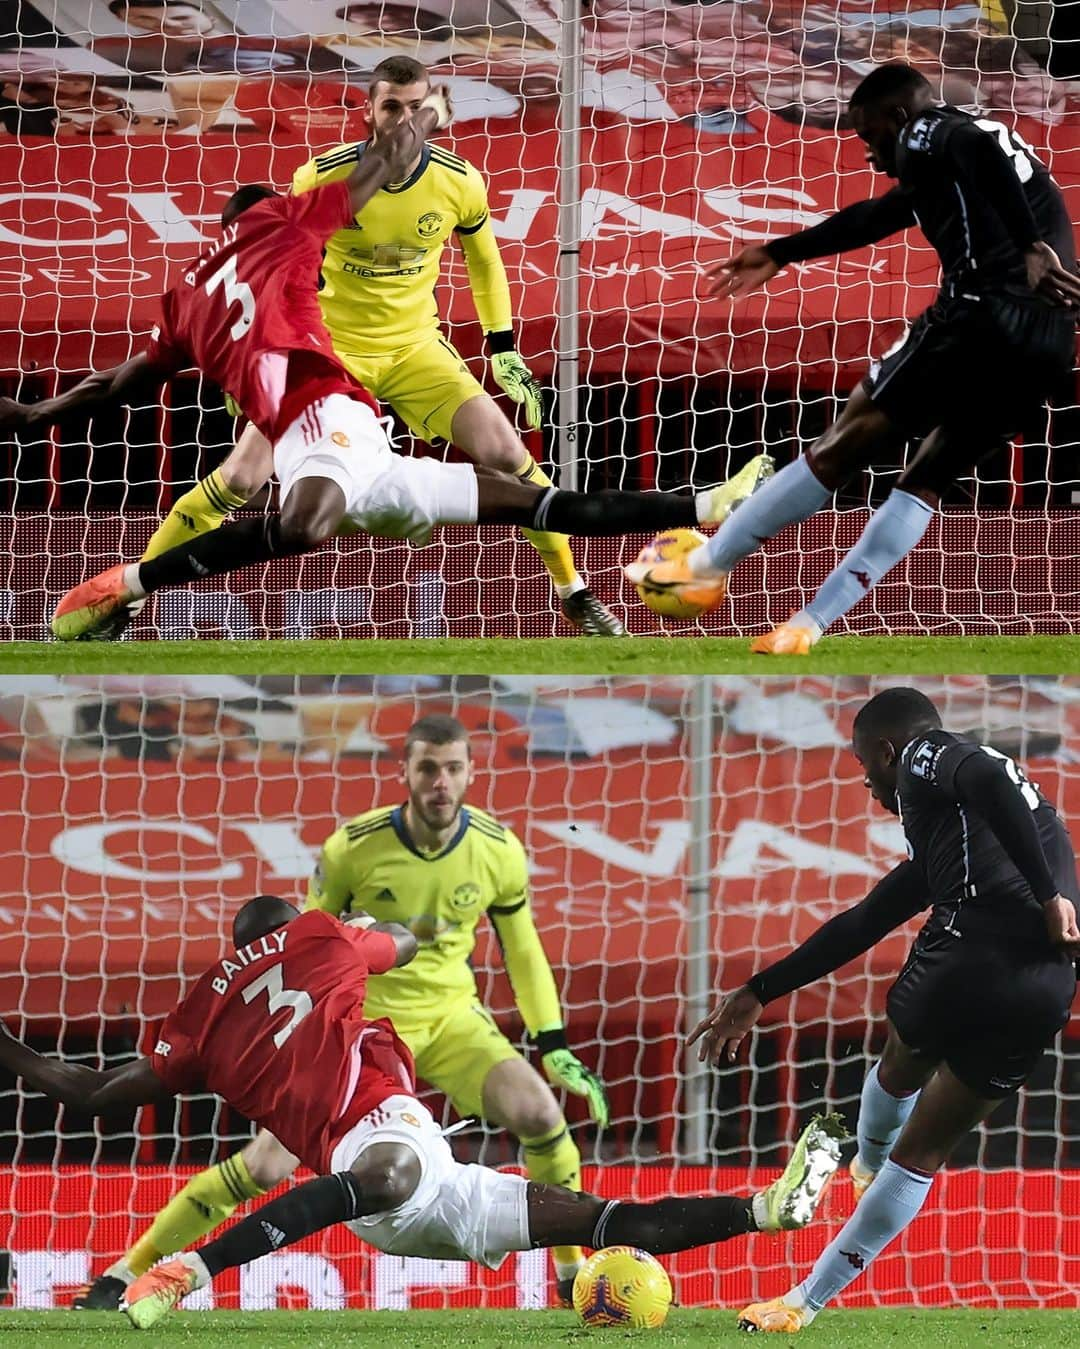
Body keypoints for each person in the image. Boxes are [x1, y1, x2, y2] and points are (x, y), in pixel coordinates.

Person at [0, 87, 767, 642]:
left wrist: (34, 416)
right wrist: (419, 123)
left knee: (524, 482)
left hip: (380, 387)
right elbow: (380, 161)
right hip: (332, 398)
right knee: (280, 502)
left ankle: (667, 530)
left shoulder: (184, 301)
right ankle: (127, 593)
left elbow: (116, 385)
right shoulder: (294, 219)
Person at [0, 896, 846, 1330]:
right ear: (295, 925)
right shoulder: (321, 936)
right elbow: (403, 941)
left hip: (409, 1192)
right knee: (407, 1165)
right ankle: (183, 1272)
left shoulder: (197, 1027)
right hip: (388, 1144)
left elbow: (79, 1088)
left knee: (608, 1222)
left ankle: (766, 1208)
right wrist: (382, 927)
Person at [77, 713, 609, 1308]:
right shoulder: (353, 849)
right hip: (360, 1026)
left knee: (539, 1113)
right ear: (403, 770)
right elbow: (304, 947)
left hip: (454, 1019)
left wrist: (553, 1040)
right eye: (429, 767)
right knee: (265, 1165)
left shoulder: (497, 848)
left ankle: (571, 1278)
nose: (441, 781)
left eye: (453, 768)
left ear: (469, 773)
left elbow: (523, 946)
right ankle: (125, 1274)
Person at [131, 54, 635, 637]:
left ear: (431, 108)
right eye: (391, 106)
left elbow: (485, 261)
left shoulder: (460, 182)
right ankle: (126, 597)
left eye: (415, 107)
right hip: (327, 352)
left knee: (507, 453)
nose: (402, 118)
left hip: (414, 347)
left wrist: (502, 344)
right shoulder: (322, 177)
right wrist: (254, 363)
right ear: (368, 111)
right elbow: (267, 274)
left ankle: (574, 593)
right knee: (241, 479)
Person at [627, 62, 1080, 652]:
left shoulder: (929, 131)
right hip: (1050, 339)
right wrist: (781, 251)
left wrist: (1028, 247)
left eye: (869, 136)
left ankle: (702, 568)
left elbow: (966, 147)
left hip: (979, 312)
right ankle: (805, 627)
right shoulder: (960, 155)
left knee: (847, 436)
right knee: (926, 479)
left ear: (898, 116)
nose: (869, 153)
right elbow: (877, 217)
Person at [689, 686, 1080, 1332]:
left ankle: (865, 1160)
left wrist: (1048, 897)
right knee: (922, 1156)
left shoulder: (933, 752)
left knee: (903, 1050)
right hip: (1044, 986)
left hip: (971, 951)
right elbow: (867, 918)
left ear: (887, 750)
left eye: (866, 766)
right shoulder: (963, 835)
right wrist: (762, 987)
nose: (869, 783)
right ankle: (801, 1302)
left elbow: (984, 772)